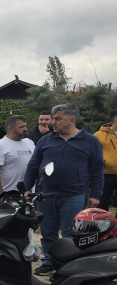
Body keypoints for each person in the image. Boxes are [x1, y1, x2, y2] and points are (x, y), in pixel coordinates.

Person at [24, 104, 104, 275]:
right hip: (45, 194)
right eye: (53, 118)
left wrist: (96, 195)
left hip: (74, 195)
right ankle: (49, 262)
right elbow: (33, 165)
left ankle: (67, 265)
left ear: (71, 120)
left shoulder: (90, 141)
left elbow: (97, 170)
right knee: (48, 231)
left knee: (70, 233)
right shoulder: (46, 140)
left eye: (57, 119)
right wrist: (27, 188)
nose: (52, 122)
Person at [0, 115, 35, 198]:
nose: (25, 129)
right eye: (22, 127)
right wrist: (0, 193)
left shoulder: (29, 142)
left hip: (29, 194)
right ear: (11, 129)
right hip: (9, 195)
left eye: (26, 126)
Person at [94, 110, 117, 211]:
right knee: (103, 202)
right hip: (105, 173)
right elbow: (93, 153)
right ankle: (102, 220)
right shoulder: (99, 135)